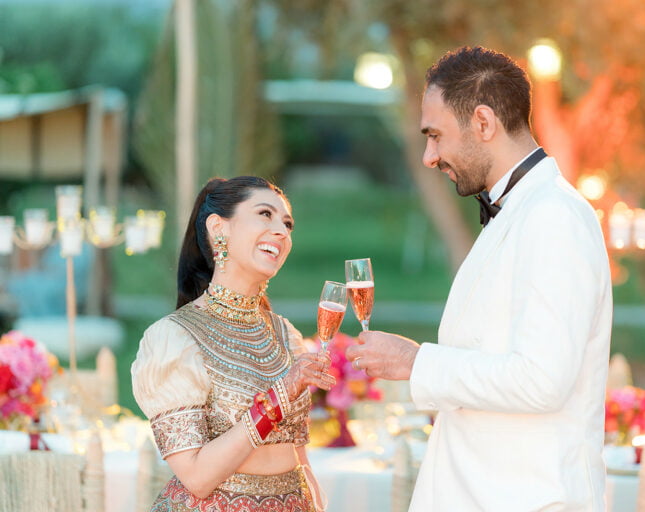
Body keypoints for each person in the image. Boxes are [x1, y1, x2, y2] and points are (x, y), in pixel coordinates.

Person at [346, 46, 613, 511]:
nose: (429, 156)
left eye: (436, 136)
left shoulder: (554, 217)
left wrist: (416, 362)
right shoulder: (519, 212)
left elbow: (542, 380)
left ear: (484, 124)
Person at [132, 176, 334, 512]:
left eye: (287, 223)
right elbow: (196, 477)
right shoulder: (173, 338)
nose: (282, 232)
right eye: (265, 215)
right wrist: (280, 394)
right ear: (218, 229)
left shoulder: (285, 335)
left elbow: (299, 457)